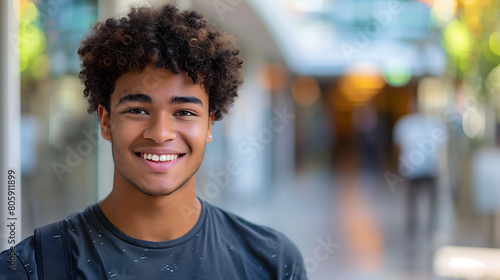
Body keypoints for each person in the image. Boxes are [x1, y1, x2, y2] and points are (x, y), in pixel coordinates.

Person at [0, 3, 306, 279]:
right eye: (137, 110)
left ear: (210, 124)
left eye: (184, 112)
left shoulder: (271, 262)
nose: (160, 133)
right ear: (106, 121)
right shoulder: (32, 268)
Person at [392, 94, 447, 239]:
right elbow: (398, 147)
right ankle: (412, 227)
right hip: (412, 169)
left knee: (432, 199)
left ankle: (431, 227)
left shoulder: (434, 123)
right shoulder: (405, 124)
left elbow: (441, 148)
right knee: (412, 200)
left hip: (430, 168)